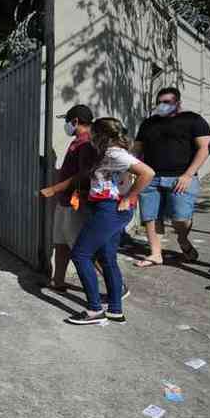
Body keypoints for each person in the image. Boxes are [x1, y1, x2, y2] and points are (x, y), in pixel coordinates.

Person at [66, 118, 155, 325]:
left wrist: (130, 197)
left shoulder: (115, 153)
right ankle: (115, 309)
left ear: (101, 135)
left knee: (80, 254)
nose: (90, 137)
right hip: (108, 208)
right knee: (107, 257)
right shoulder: (110, 152)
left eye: (93, 134)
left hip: (110, 209)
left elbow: (147, 173)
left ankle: (94, 310)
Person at [133, 87, 210, 267]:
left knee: (181, 218)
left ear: (178, 103)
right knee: (150, 217)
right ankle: (155, 254)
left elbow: (204, 148)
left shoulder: (193, 120)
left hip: (181, 177)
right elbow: (137, 149)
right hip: (151, 177)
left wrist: (188, 175)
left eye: (167, 102)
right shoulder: (148, 123)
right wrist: (131, 168)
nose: (162, 105)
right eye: (159, 102)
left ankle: (183, 240)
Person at [40, 105, 97, 291]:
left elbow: (83, 174)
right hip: (65, 201)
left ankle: (118, 287)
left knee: (83, 249)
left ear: (75, 122)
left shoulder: (87, 143)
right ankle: (58, 281)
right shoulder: (77, 141)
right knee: (61, 243)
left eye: (67, 122)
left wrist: (54, 189)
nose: (66, 126)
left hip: (75, 203)